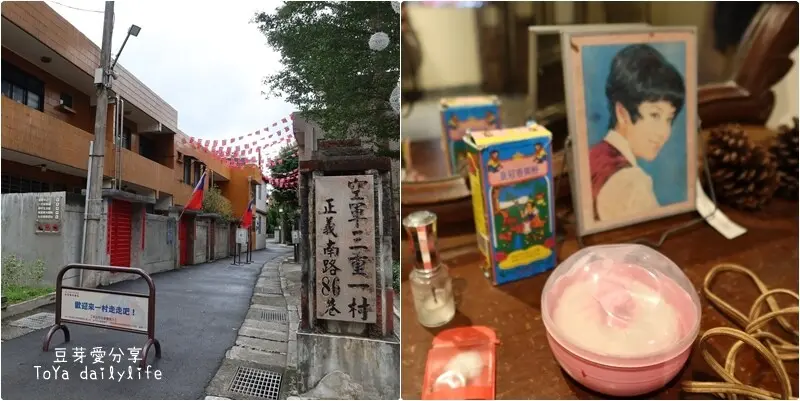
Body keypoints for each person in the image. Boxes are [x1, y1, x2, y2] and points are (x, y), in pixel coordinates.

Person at [589, 44, 685, 221]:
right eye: (655, 115)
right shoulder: (631, 183)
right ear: (622, 114)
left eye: (669, 119)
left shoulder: (592, 157)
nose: (664, 132)